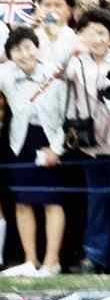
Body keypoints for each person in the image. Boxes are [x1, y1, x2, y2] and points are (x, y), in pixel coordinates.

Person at [66, 8, 110, 273]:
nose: (97, 39)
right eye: (91, 33)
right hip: (88, 141)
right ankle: (94, 255)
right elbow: (58, 73)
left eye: (102, 33)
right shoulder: (77, 62)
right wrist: (73, 47)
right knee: (95, 200)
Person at [0, 27, 66, 277]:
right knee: (23, 202)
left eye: (28, 47)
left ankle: (52, 262)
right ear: (10, 54)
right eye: (17, 50)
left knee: (52, 201)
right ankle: (30, 260)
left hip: (48, 139)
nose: (24, 54)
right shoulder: (6, 73)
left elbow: (65, 115)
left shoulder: (54, 73)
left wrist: (56, 149)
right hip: (20, 141)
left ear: (37, 48)